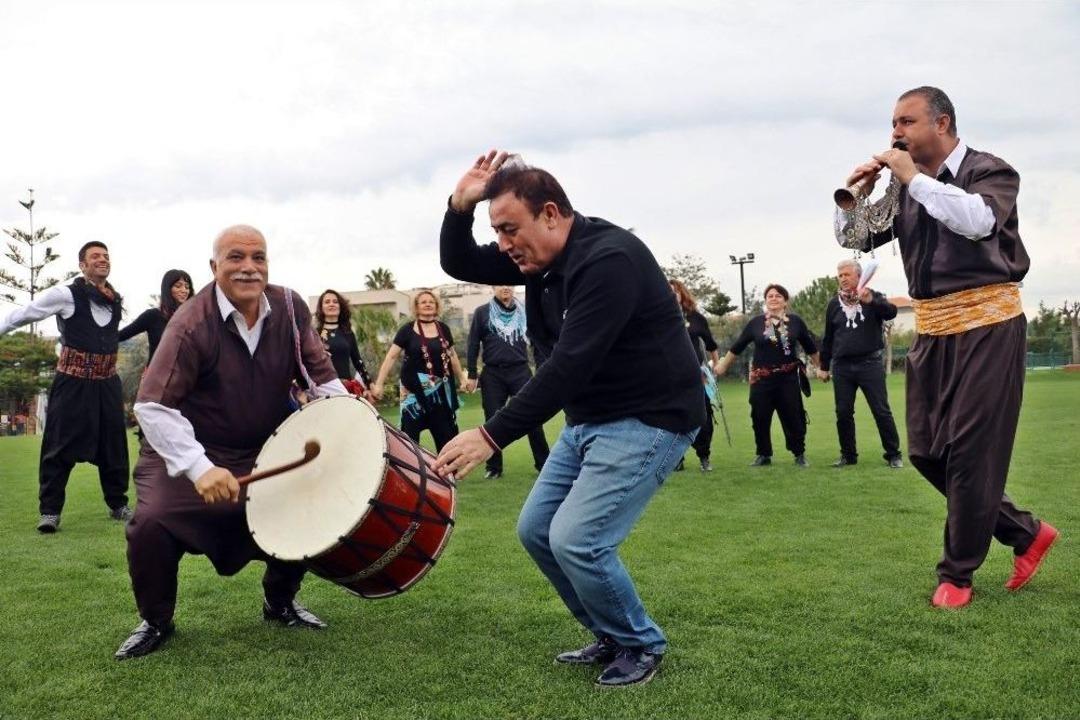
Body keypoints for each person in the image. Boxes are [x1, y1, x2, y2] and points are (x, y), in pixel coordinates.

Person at [433, 151, 703, 688]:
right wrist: (459, 206)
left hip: (651, 418)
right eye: (497, 231)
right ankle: (610, 634)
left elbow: (569, 365)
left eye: (510, 229)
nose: (504, 245)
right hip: (590, 420)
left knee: (578, 538)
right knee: (537, 530)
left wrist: (490, 435)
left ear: (551, 214)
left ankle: (641, 644)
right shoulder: (537, 259)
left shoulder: (609, 260)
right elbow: (458, 263)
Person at [837, 86, 1057, 608]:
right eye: (893, 123)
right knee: (926, 452)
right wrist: (857, 194)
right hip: (933, 332)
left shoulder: (991, 171)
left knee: (971, 452)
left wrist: (912, 179)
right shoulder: (903, 189)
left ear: (942, 123)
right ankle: (1025, 533)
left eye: (906, 122)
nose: (895, 133)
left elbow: (979, 222)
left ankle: (957, 574)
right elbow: (854, 240)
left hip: (989, 324)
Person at [114, 225, 347, 660]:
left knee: (303, 505)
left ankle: (279, 602)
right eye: (236, 257)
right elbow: (152, 407)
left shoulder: (290, 306)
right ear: (214, 266)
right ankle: (155, 620)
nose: (249, 267)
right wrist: (199, 468)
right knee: (152, 522)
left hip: (266, 449)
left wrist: (352, 426)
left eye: (258, 257)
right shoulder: (189, 322)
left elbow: (321, 377)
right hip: (189, 455)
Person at [1, 241, 132, 532]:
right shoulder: (66, 295)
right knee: (58, 446)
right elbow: (25, 313)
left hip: (107, 383)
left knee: (114, 446)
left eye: (106, 256)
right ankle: (50, 512)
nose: (102, 260)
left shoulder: (114, 299)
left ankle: (118, 504)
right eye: (95, 256)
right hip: (72, 383)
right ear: (82, 265)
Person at [714, 284, 819, 467]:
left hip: (787, 379)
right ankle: (763, 454)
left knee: (793, 416)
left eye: (778, 296)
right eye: (769, 296)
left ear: (785, 301)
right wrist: (722, 366)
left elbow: (811, 348)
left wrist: (821, 368)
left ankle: (799, 453)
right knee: (759, 416)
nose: (773, 298)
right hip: (762, 380)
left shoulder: (795, 322)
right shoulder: (756, 323)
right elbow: (737, 347)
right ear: (766, 301)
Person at [818, 259, 903, 469]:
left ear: (858, 276)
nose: (843, 279)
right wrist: (823, 366)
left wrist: (872, 300)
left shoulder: (872, 296)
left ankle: (893, 454)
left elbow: (891, 312)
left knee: (881, 410)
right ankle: (848, 455)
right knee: (843, 412)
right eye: (840, 275)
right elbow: (828, 338)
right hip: (842, 367)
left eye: (847, 274)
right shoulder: (833, 304)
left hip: (870, 364)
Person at [465, 285, 550, 479]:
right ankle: (494, 468)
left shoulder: (525, 312)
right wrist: (471, 374)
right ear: (493, 288)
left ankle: (543, 463)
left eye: (508, 284)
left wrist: (542, 368)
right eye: (500, 284)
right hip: (493, 374)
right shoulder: (482, 313)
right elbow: (472, 343)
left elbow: (538, 341)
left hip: (520, 371)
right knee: (492, 420)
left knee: (533, 418)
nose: (505, 287)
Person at [370, 290, 469, 452]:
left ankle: (449, 476)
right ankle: (411, 476)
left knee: (446, 437)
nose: (428, 304)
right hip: (413, 394)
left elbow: (452, 355)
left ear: (436, 306)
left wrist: (462, 379)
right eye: (423, 302)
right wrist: (379, 384)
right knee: (409, 439)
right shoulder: (407, 330)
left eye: (431, 301)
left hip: (440, 395)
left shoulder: (444, 328)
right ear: (416, 307)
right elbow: (391, 357)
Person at [669, 279, 721, 473]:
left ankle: (704, 456)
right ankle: (676, 459)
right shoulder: (656, 316)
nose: (671, 295)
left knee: (703, 416)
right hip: (668, 377)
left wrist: (716, 366)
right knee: (672, 418)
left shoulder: (696, 318)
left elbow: (711, 344)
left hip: (697, 377)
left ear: (682, 294)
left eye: (675, 291)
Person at [118, 269, 194, 363]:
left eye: (187, 287)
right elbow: (120, 336)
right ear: (167, 289)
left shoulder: (192, 318)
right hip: (157, 375)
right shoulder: (153, 316)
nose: (184, 290)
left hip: (186, 375)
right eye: (178, 286)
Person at [314, 288, 373, 398]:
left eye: (335, 302)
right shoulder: (315, 334)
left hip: (345, 389)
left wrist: (369, 384)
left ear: (340, 307)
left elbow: (358, 361)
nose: (331, 304)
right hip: (323, 390)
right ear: (321, 308)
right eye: (327, 302)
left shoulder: (348, 333)